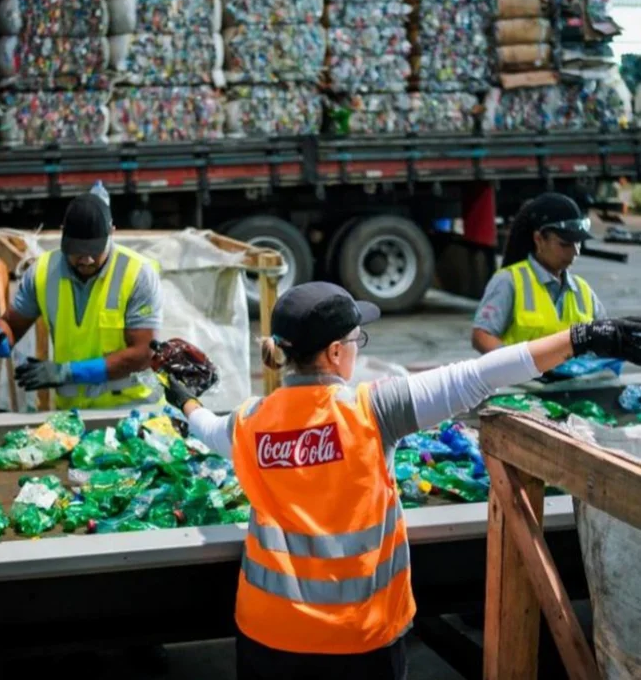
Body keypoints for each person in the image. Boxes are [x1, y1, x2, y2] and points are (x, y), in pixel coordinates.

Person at [161, 281, 641, 680]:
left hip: (267, 638)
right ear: (333, 353)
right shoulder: (373, 411)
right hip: (358, 641)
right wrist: (583, 337)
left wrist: (184, 401)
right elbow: (478, 376)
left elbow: (207, 429)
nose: (356, 348)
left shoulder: (249, 421)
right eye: (356, 339)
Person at [0, 185, 163, 408]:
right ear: (63, 234)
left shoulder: (137, 274)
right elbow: (11, 325)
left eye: (94, 250)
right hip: (74, 418)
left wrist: (66, 372)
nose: (87, 260)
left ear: (112, 233)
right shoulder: (42, 273)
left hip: (133, 412)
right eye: (78, 251)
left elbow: (144, 353)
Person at [472, 192, 606, 355]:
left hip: (574, 379)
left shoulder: (583, 291)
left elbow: (605, 334)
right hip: (521, 380)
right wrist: (517, 364)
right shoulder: (509, 281)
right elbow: (482, 336)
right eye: (565, 244)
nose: (575, 252)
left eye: (578, 243)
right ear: (539, 239)